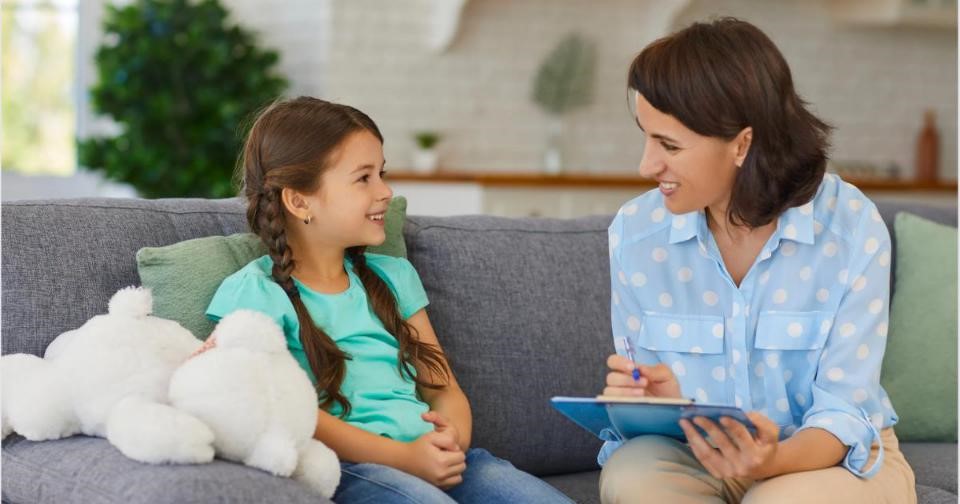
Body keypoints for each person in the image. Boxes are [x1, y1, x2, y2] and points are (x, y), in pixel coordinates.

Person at [599, 18, 916, 503]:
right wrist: (648, 402)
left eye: (669, 145)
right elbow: (651, 400)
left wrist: (768, 462)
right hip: (698, 455)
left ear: (742, 143)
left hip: (830, 460)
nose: (646, 166)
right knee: (631, 478)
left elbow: (844, 412)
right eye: (646, 137)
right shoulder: (637, 235)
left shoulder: (850, 227)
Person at [204, 96, 572, 503]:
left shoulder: (392, 278)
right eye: (363, 178)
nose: (386, 191)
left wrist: (451, 441)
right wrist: (405, 458)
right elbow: (290, 413)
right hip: (351, 470)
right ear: (299, 201)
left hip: (435, 457)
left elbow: (443, 387)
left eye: (382, 173)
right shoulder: (255, 294)